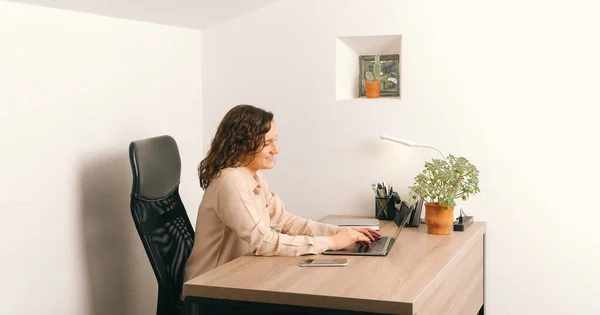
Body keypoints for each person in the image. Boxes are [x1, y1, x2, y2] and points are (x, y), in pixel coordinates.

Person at [184, 104, 380, 281]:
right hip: (211, 284)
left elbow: (284, 221)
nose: (275, 150)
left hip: (237, 275)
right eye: (267, 142)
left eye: (274, 141)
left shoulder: (252, 176)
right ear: (243, 142)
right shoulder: (230, 181)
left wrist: (339, 233)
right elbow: (262, 241)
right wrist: (330, 242)